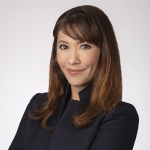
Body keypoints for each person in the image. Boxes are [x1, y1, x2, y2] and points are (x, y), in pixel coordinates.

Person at [9, 5, 139, 150]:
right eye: (64, 47)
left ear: (104, 53)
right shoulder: (38, 105)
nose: (72, 60)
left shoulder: (118, 116)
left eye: (84, 46)